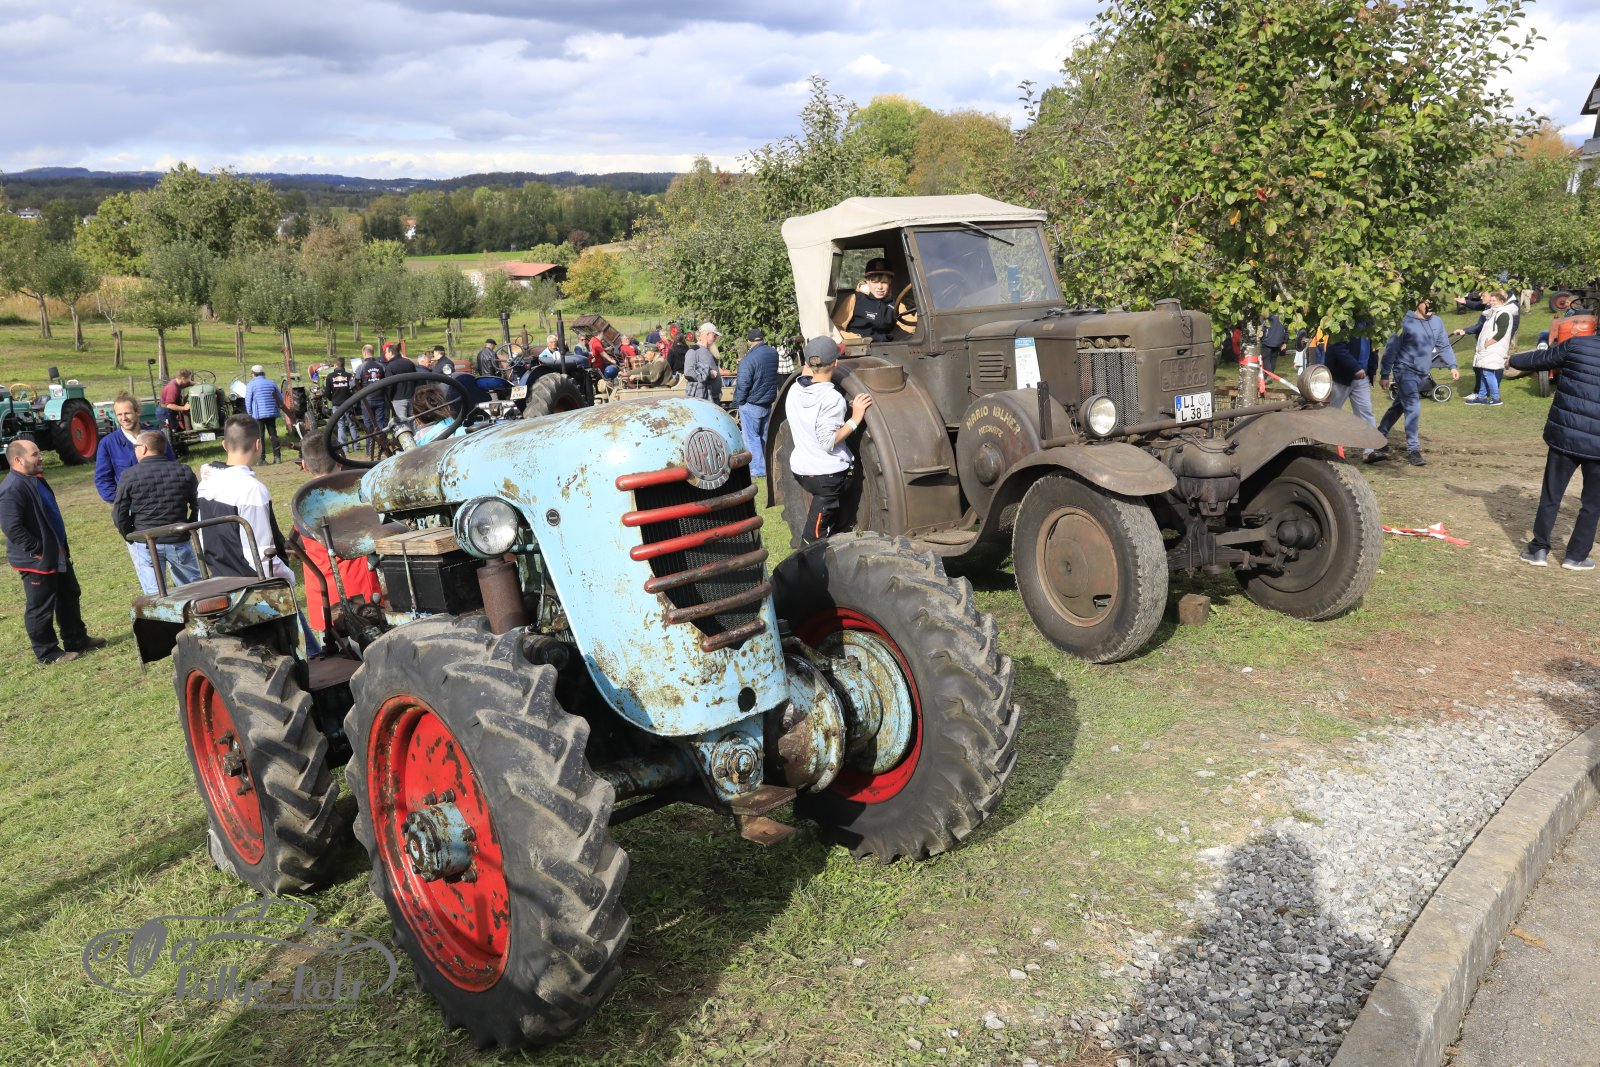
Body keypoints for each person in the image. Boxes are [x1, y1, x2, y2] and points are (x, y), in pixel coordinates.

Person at [0, 439, 106, 663]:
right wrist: (39, 549)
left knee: (69, 594)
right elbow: (12, 528)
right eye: (34, 454)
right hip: (37, 560)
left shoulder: (36, 479)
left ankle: (77, 639)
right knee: (40, 607)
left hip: (56, 553)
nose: (41, 457)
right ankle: (48, 653)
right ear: (18, 460)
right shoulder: (12, 488)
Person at [1506, 331, 1600, 569]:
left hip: (1565, 436)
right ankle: (1576, 556)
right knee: (1592, 504)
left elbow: (1541, 359)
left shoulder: (1576, 345)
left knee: (1551, 495)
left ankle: (1538, 550)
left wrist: (1513, 360)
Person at [785, 337, 874, 544]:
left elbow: (807, 373)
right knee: (815, 537)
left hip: (802, 470)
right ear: (836, 363)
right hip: (827, 478)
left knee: (824, 520)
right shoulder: (832, 398)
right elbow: (827, 442)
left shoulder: (795, 390)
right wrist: (855, 418)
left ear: (807, 364)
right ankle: (811, 551)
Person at [295, 431, 383, 633]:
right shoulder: (358, 493)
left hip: (324, 599)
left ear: (305, 465)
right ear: (340, 459)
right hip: (362, 593)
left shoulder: (301, 503)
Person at [198, 415, 295, 584]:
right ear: (258, 445)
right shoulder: (252, 490)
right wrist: (288, 577)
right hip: (252, 582)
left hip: (220, 579)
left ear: (224, 445)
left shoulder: (205, 484)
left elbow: (203, 538)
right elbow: (261, 554)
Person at [113, 430, 201, 594]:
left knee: (155, 596)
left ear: (144, 448)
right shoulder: (183, 471)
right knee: (194, 592)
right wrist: (189, 526)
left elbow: (119, 513)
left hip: (146, 541)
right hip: (179, 539)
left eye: (136, 446)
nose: (135, 450)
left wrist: (130, 535)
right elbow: (198, 504)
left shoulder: (129, 475)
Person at [1374, 297, 1458, 466]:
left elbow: (1444, 346)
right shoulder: (1404, 321)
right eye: (1426, 303)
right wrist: (1384, 373)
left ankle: (1379, 436)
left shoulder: (1437, 322)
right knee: (1413, 407)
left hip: (1422, 373)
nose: (1430, 306)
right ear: (1418, 303)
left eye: (1433, 303)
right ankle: (1413, 450)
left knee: (1399, 405)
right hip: (1404, 370)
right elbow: (1391, 349)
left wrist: (1452, 365)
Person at [96, 391, 175, 504]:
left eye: (127, 413)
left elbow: (172, 466)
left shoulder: (156, 436)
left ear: (137, 411)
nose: (124, 418)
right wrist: (121, 501)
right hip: (131, 508)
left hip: (162, 503)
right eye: (119, 414)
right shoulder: (108, 443)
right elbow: (103, 480)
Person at [1453, 291, 1514, 407]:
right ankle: (1481, 397)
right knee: (1484, 371)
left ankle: (1496, 398)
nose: (1492, 303)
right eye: (1491, 300)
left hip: (1494, 348)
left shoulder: (1504, 314)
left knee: (1488, 372)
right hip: (1488, 348)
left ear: (1502, 301)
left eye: (1494, 301)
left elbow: (1501, 333)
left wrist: (1488, 343)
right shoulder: (1492, 313)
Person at [733, 328, 779, 477]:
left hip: (752, 403)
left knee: (752, 438)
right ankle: (769, 465)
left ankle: (758, 470)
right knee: (765, 436)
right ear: (762, 339)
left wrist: (739, 402)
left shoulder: (748, 359)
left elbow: (743, 384)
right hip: (767, 402)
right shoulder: (773, 353)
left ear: (749, 342)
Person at [1325, 325, 1380, 445]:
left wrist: (1373, 369)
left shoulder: (1370, 322)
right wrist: (1355, 367)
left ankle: (1370, 448)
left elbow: (1374, 347)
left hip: (1362, 378)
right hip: (1340, 377)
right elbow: (1338, 347)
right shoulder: (1344, 321)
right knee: (1330, 411)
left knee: (1366, 411)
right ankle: (1321, 441)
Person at [831, 257, 899, 342]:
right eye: (875, 282)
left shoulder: (896, 303)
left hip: (885, 346)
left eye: (884, 282)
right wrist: (856, 339)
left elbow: (909, 327)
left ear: (890, 282)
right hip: (857, 346)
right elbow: (836, 328)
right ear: (867, 281)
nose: (880, 287)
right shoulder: (854, 299)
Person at [244, 364, 286, 464]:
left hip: (258, 415)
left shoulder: (251, 385)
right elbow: (280, 398)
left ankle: (261, 459)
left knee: (260, 437)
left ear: (253, 374)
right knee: (273, 435)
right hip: (272, 413)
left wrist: (250, 413)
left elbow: (248, 401)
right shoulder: (272, 383)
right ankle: (277, 457)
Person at [683, 323, 724, 402]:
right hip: (701, 399)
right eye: (714, 336)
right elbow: (688, 373)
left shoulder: (708, 351)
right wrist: (709, 374)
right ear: (707, 334)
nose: (715, 338)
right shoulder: (693, 351)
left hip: (712, 399)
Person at [382, 342, 417, 423]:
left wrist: (388, 400)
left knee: (402, 424)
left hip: (398, 399)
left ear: (391, 353)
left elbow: (389, 385)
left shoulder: (390, 366)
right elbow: (416, 379)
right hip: (411, 397)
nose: (385, 355)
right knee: (414, 423)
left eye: (386, 353)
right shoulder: (409, 363)